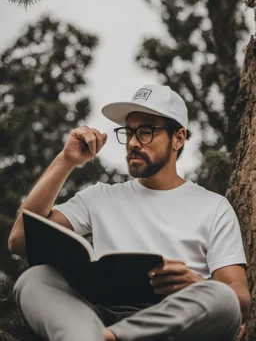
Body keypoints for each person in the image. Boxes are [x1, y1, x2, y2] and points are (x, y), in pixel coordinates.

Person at [9, 84, 251, 341]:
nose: (133, 143)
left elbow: (241, 300)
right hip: (98, 316)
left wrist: (197, 285)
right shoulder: (100, 196)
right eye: (129, 132)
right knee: (34, 279)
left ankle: (116, 337)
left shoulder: (213, 207)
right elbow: (20, 240)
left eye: (146, 132)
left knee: (223, 297)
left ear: (178, 138)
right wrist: (66, 160)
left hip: (173, 325)